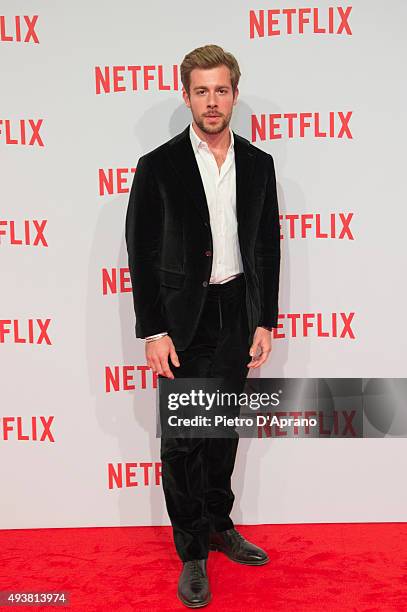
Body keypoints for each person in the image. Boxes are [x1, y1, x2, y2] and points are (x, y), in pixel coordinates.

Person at [125, 44, 281, 608]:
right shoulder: (159, 165)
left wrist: (265, 318)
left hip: (237, 312)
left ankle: (219, 523)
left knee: (222, 430)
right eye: (201, 91)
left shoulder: (259, 164)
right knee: (184, 439)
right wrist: (153, 330)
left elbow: (266, 247)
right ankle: (191, 550)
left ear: (234, 94)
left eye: (221, 90)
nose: (211, 102)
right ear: (185, 94)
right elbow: (140, 253)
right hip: (182, 321)